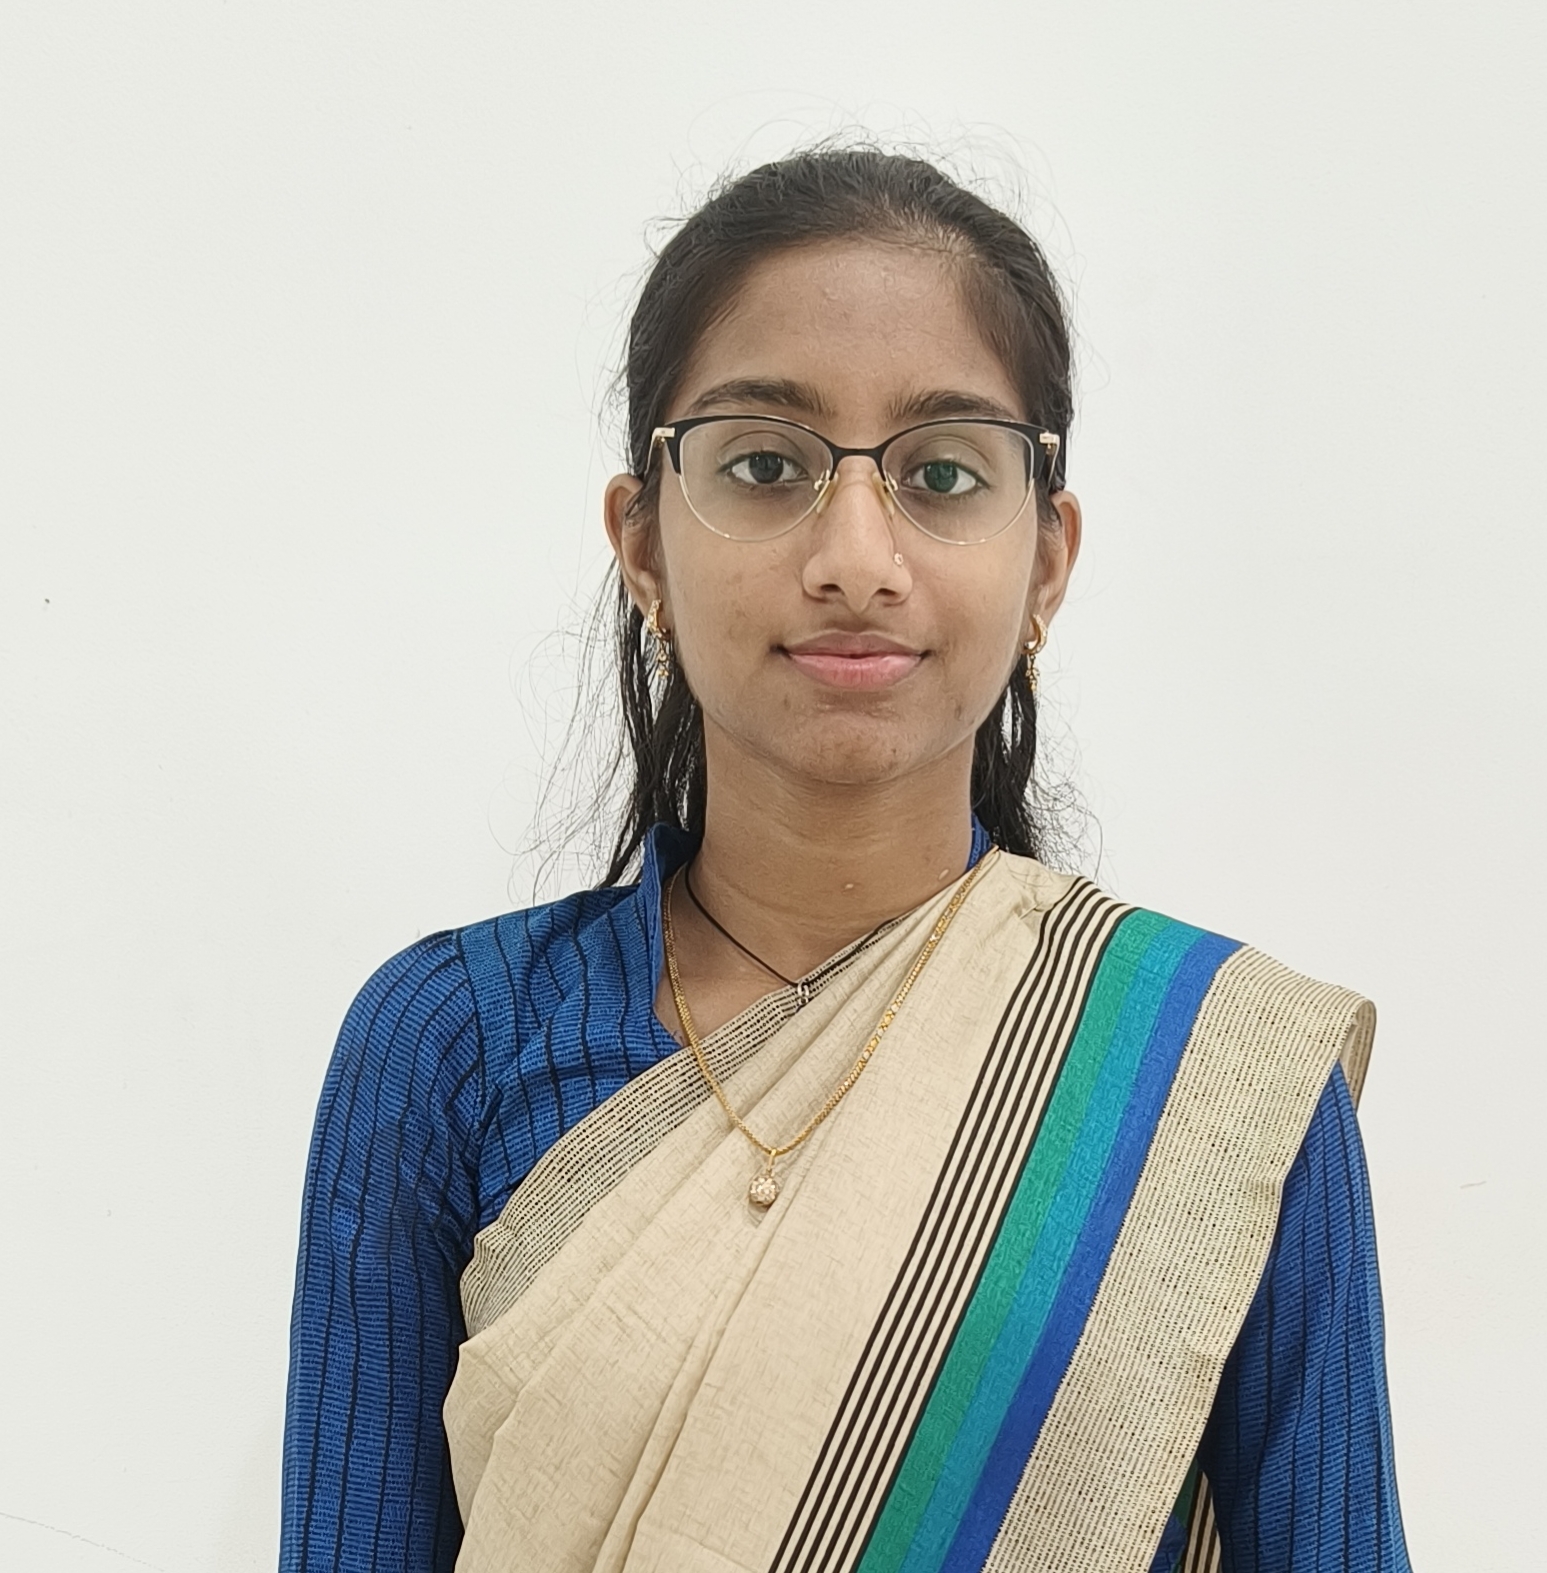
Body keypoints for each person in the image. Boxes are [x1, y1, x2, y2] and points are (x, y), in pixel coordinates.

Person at [280, 146, 1413, 1573]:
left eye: (943, 473)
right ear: (643, 543)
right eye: (767, 466)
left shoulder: (1210, 1078)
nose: (857, 556)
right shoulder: (451, 1045)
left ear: (1046, 557)